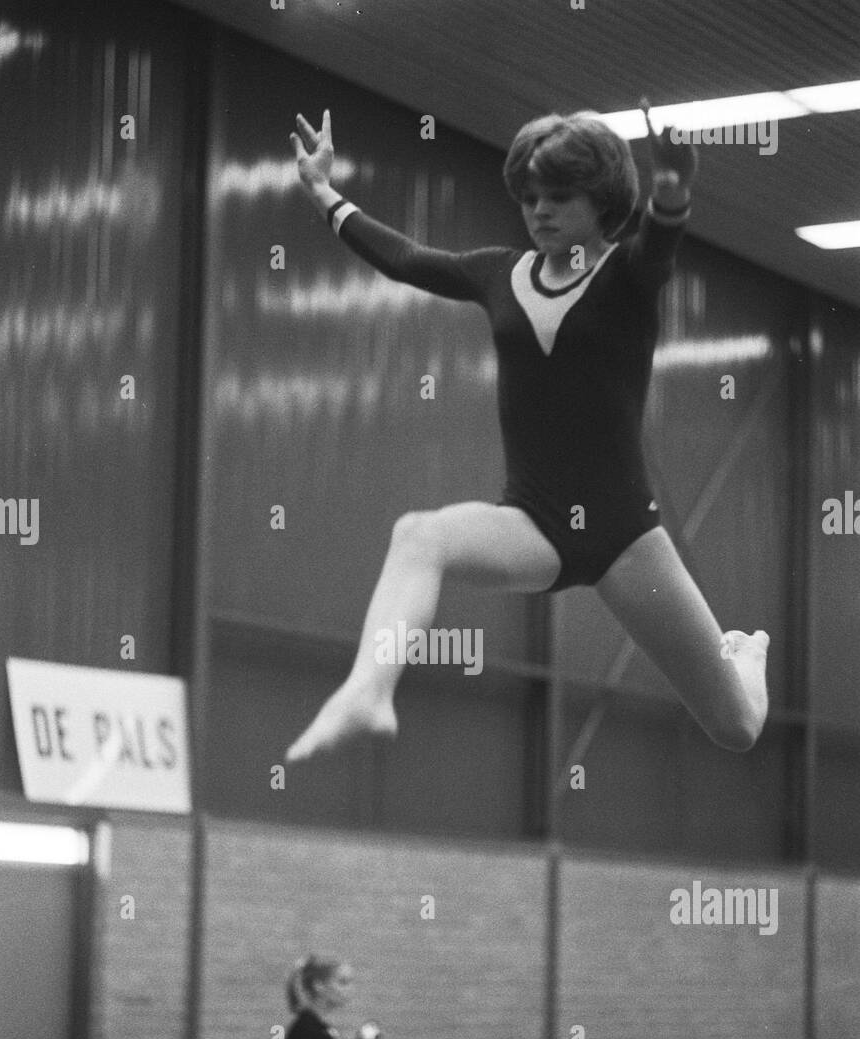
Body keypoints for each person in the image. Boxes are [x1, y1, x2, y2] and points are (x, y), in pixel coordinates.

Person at [286, 102, 769, 766]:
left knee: (734, 725)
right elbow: (406, 259)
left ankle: (747, 655)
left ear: (601, 202)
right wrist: (323, 192)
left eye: (559, 198)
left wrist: (672, 194)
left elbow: (659, 245)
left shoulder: (625, 277)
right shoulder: (499, 274)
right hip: (534, 524)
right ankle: (367, 691)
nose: (539, 211)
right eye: (529, 198)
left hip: (626, 536)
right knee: (418, 535)